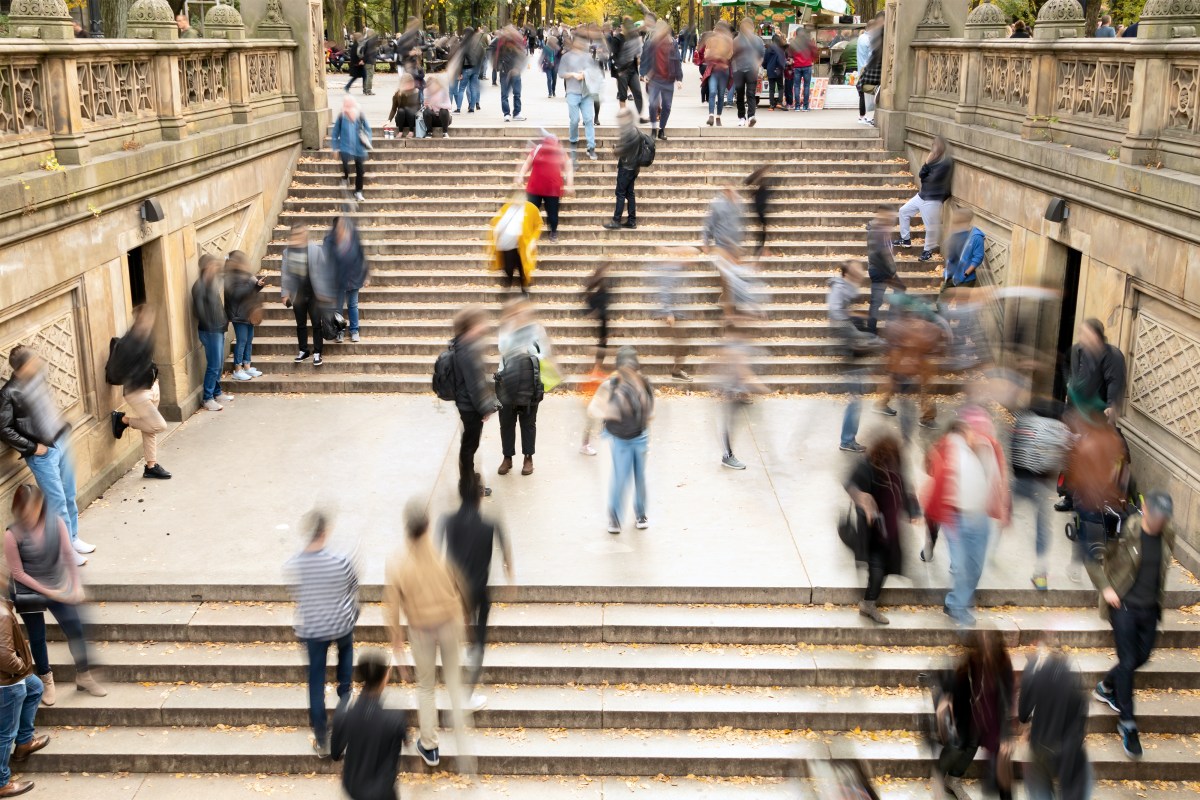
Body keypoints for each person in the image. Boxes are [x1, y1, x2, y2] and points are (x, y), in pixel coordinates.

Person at [1087, 490, 1176, 760]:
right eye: (1157, 517)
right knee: (1127, 662)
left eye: (1164, 519)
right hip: (1123, 605)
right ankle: (1128, 724)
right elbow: (1090, 554)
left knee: (1143, 656)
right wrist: (1106, 588)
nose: (1160, 523)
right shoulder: (1124, 528)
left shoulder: (1168, 533)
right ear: (1145, 509)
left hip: (1149, 608)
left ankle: (1106, 686)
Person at [385, 500, 469, 768]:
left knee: (426, 686)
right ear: (428, 524)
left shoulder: (398, 563)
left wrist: (397, 641)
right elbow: (460, 585)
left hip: (421, 628)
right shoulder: (441, 554)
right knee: (454, 681)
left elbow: (392, 606)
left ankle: (430, 745)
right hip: (449, 621)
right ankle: (461, 734)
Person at [5, 484, 106, 704]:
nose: (31, 513)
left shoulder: (56, 522)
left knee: (76, 629)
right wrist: (48, 592)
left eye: (36, 507)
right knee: (38, 637)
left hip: (57, 583)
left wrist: (75, 585)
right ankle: (46, 680)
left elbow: (69, 554)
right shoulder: (12, 534)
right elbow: (18, 573)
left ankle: (84, 676)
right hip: (29, 590)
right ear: (18, 508)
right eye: (26, 509)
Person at [0, 346, 92, 565]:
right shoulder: (8, 393)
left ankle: (73, 538)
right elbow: (4, 428)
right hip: (41, 454)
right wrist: (32, 448)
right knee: (57, 501)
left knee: (69, 494)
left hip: (59, 442)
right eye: (34, 360)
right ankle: (66, 551)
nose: (39, 362)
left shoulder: (37, 379)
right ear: (24, 366)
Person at [922, 409, 1011, 626]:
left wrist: (1003, 507)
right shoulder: (948, 446)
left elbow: (999, 478)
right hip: (955, 516)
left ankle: (954, 602)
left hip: (979, 517)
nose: (978, 435)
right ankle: (958, 607)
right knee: (960, 565)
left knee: (975, 567)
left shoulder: (990, 447)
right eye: (974, 430)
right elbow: (934, 475)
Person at [284, 510, 359, 758]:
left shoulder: (295, 564)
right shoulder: (341, 561)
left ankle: (321, 739)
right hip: (341, 624)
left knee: (316, 683)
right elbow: (352, 589)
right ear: (325, 532)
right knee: (346, 655)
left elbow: (298, 595)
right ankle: (345, 698)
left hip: (313, 629)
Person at [442, 472, 514, 711]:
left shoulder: (448, 521)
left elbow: (438, 554)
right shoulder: (490, 524)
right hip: (479, 591)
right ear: (481, 494)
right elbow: (506, 555)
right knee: (478, 641)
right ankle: (468, 692)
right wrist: (510, 578)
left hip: (454, 590)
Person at [846, 435, 919, 624]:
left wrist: (913, 511)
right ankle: (868, 604)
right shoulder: (867, 466)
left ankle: (869, 601)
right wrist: (862, 498)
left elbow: (906, 493)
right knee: (877, 569)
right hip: (874, 531)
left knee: (884, 569)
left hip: (891, 532)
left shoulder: (896, 469)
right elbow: (850, 484)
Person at [942, 630, 1015, 800]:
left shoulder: (1003, 666)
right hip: (973, 717)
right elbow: (955, 686)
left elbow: (1006, 701)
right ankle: (952, 778)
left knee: (1001, 760)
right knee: (968, 744)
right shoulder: (972, 663)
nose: (988, 655)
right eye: (985, 650)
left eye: (992, 650)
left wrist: (1005, 734)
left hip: (994, 721)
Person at [589, 346, 653, 534]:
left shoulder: (643, 383)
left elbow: (650, 410)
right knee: (620, 477)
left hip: (640, 436)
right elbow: (593, 408)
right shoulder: (611, 384)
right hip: (621, 439)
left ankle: (640, 513)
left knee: (639, 477)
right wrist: (610, 412)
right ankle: (615, 517)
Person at [1019, 638, 1091, 800]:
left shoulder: (1038, 677)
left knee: (1038, 787)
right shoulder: (1076, 685)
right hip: (1067, 749)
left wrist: (1031, 665)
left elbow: (1023, 713)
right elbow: (1080, 725)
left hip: (1040, 745)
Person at [330, 651, 408, 800]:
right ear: (385, 678)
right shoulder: (395, 719)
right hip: (382, 792)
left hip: (353, 788)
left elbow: (335, 753)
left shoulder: (344, 715)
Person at [108, 304, 171, 479]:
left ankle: (151, 466)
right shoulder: (128, 343)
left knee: (150, 428)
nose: (151, 320)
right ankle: (122, 420)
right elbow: (117, 371)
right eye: (147, 317)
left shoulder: (147, 336)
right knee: (159, 425)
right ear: (139, 319)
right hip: (137, 391)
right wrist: (136, 376)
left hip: (152, 385)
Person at [0, 586, 48, 798]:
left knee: (36, 687)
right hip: (8, 680)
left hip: (13, 677)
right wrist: (21, 668)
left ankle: (25, 742)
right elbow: (4, 656)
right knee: (4, 733)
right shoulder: (1, 614)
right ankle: (2, 782)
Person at [448, 307, 499, 489]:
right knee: (470, 446)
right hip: (470, 407)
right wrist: (485, 408)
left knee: (469, 444)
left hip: (467, 404)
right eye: (480, 323)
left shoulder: (462, 345)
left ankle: (467, 478)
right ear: (471, 327)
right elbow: (474, 385)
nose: (483, 326)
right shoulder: (467, 351)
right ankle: (468, 485)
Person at [496, 301, 547, 476]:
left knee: (528, 422)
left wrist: (528, 349)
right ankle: (507, 457)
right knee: (506, 422)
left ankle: (528, 458)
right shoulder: (506, 328)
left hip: (529, 381)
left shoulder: (537, 330)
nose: (520, 316)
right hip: (507, 379)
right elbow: (502, 348)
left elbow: (544, 354)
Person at [830, 260, 875, 453]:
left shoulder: (846, 289)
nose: (861, 272)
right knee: (855, 398)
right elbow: (836, 315)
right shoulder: (840, 289)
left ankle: (848, 439)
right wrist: (858, 335)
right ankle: (847, 441)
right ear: (847, 273)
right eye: (856, 269)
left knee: (856, 396)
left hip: (851, 349)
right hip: (848, 350)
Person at [280, 223, 335, 367]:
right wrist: (284, 294)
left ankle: (317, 352)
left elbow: (324, 271)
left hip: (315, 294)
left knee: (317, 324)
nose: (300, 235)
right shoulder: (288, 252)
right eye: (297, 233)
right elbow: (285, 274)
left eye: (302, 232)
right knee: (301, 324)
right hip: (298, 295)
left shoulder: (316, 250)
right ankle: (303, 350)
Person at [896, 136, 953, 262]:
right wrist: (927, 162)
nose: (933, 148)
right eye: (933, 145)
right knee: (903, 211)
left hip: (933, 199)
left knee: (930, 227)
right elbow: (922, 175)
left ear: (941, 147)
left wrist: (927, 174)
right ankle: (905, 239)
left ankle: (927, 251)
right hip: (922, 195)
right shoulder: (933, 160)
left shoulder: (946, 162)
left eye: (935, 145)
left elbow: (932, 179)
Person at [716, 326, 766, 470]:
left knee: (730, 424)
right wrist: (762, 388)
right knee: (728, 424)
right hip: (730, 392)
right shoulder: (735, 348)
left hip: (733, 391)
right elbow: (743, 372)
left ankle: (728, 455)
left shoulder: (735, 346)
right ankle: (727, 456)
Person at [191, 254, 232, 412]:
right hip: (210, 331)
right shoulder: (199, 286)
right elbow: (199, 311)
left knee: (219, 364)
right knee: (214, 365)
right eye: (214, 265)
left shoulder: (210, 283)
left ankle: (217, 392)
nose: (216, 267)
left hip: (218, 329)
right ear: (207, 267)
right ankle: (207, 398)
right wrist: (213, 325)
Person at [520, 133, 573, 244]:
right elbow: (569, 167)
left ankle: (550, 232)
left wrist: (520, 176)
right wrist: (569, 184)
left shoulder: (554, 151)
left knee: (537, 212)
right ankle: (552, 233)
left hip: (542, 188)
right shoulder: (556, 150)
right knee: (551, 213)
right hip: (546, 189)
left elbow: (526, 164)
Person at [324, 216, 369, 344]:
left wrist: (365, 275)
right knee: (338, 307)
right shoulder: (329, 241)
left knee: (353, 305)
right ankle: (340, 332)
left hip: (353, 278)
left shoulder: (353, 239)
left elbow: (361, 257)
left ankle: (354, 331)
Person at [223, 251, 265, 382]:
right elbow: (236, 294)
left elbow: (249, 292)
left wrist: (257, 286)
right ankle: (237, 369)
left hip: (248, 313)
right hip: (238, 314)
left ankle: (247, 365)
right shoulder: (230, 277)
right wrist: (251, 284)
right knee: (241, 341)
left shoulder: (244, 275)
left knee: (249, 340)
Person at [488, 197, 542, 297]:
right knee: (508, 268)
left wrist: (534, 239)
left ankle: (524, 290)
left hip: (523, 246)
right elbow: (496, 222)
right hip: (508, 245)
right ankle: (508, 287)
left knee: (523, 269)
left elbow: (538, 224)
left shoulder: (531, 208)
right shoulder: (506, 207)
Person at [655, 248, 695, 382]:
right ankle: (677, 371)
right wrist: (669, 312)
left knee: (682, 342)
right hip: (674, 315)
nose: (692, 261)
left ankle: (677, 370)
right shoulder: (673, 269)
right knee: (682, 343)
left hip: (678, 314)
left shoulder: (678, 269)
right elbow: (665, 290)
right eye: (691, 257)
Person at [559, 36, 598, 162]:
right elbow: (561, 73)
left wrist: (584, 74)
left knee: (588, 119)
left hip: (586, 93)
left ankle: (591, 147)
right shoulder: (566, 57)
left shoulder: (587, 57)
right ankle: (573, 140)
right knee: (574, 119)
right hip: (572, 92)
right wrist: (572, 74)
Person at [641, 20, 682, 141]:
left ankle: (662, 129)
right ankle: (654, 128)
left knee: (667, 106)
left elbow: (677, 61)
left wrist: (679, 78)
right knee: (653, 104)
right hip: (655, 78)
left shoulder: (672, 43)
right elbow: (645, 59)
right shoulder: (650, 43)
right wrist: (643, 74)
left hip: (669, 79)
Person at [604, 109, 641, 230]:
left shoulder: (628, 131)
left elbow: (624, 149)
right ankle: (631, 220)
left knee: (620, 193)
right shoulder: (635, 130)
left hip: (626, 167)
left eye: (621, 117)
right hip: (634, 167)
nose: (619, 120)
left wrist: (615, 150)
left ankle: (616, 220)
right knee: (630, 193)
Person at [865, 205, 900, 335]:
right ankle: (874, 329)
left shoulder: (878, 228)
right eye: (890, 215)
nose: (892, 219)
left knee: (877, 301)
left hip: (879, 268)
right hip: (881, 270)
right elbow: (883, 252)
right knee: (877, 301)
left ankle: (875, 329)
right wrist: (892, 271)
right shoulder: (879, 230)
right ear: (882, 214)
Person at [331, 96, 371, 203]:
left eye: (349, 105)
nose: (347, 108)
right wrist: (335, 148)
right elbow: (335, 133)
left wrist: (367, 140)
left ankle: (358, 191)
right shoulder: (341, 117)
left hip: (359, 148)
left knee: (360, 171)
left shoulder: (360, 115)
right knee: (345, 164)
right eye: (346, 105)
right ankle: (346, 176)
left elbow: (368, 129)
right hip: (345, 147)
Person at [699, 21, 733, 126]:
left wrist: (719, 56)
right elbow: (706, 54)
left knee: (721, 94)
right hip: (713, 69)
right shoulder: (711, 40)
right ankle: (711, 116)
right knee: (713, 92)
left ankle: (718, 116)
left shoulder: (728, 41)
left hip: (724, 70)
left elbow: (730, 54)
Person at [612, 19, 647, 122]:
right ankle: (623, 116)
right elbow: (613, 56)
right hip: (622, 70)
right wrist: (618, 70)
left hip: (632, 70)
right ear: (622, 26)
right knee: (623, 94)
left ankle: (640, 116)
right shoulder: (617, 39)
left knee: (637, 92)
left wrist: (638, 59)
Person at [731, 18, 764, 127]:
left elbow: (762, 54)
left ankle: (751, 116)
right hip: (739, 70)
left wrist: (758, 64)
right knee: (740, 95)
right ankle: (741, 117)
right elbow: (732, 55)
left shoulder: (757, 40)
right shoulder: (736, 40)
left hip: (751, 70)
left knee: (751, 93)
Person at [942, 207, 985, 288]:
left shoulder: (976, 237)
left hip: (965, 280)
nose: (954, 225)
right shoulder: (955, 234)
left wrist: (966, 273)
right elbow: (951, 255)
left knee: (961, 300)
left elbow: (978, 257)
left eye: (957, 222)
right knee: (942, 300)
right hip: (950, 277)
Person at [703, 184, 744, 257]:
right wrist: (706, 243)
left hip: (734, 245)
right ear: (725, 192)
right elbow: (709, 225)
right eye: (729, 191)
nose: (732, 194)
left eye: (733, 192)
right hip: (722, 245)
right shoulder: (718, 205)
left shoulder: (738, 204)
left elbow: (741, 223)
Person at [497, 25, 527, 122]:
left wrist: (517, 68)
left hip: (514, 72)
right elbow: (493, 53)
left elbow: (522, 57)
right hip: (505, 71)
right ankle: (507, 113)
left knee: (516, 93)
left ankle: (516, 113)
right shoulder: (501, 45)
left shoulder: (517, 45)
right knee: (505, 94)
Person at [744, 165, 775, 256]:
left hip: (760, 206)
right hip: (759, 207)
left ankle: (761, 249)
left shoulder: (762, 183)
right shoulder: (761, 181)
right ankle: (760, 249)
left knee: (763, 229)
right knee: (763, 229)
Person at [452, 27, 484, 112]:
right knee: (473, 88)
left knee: (462, 88)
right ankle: (472, 108)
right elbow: (482, 53)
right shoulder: (477, 42)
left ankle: (458, 108)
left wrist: (459, 72)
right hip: (476, 68)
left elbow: (461, 58)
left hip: (466, 68)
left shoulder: (464, 43)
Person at [789, 29, 818, 111]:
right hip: (807, 65)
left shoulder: (794, 43)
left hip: (797, 66)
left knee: (797, 86)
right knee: (806, 86)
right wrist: (811, 59)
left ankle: (797, 106)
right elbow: (815, 51)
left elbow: (790, 54)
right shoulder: (808, 43)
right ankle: (805, 106)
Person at [386, 72, 420, 137]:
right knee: (401, 110)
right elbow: (393, 109)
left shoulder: (416, 92)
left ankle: (411, 131)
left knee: (409, 109)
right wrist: (389, 120)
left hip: (412, 120)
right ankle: (400, 131)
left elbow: (417, 108)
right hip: (401, 119)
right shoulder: (397, 94)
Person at [422, 74, 453, 138]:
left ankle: (445, 132)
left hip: (444, 118)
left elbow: (448, 106)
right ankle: (429, 131)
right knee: (426, 111)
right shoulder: (426, 91)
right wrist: (427, 106)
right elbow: (426, 106)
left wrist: (435, 104)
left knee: (443, 111)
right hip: (433, 118)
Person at [540, 34, 561, 98]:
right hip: (548, 65)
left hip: (555, 66)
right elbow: (542, 56)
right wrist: (540, 63)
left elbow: (559, 57)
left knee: (554, 79)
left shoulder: (557, 48)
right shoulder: (546, 48)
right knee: (549, 78)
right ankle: (550, 92)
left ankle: (553, 90)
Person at [360, 30, 380, 96]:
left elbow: (363, 51)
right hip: (369, 61)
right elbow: (368, 52)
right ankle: (368, 90)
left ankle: (365, 89)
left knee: (366, 76)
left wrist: (363, 60)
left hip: (366, 61)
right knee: (369, 76)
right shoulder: (371, 42)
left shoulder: (365, 41)